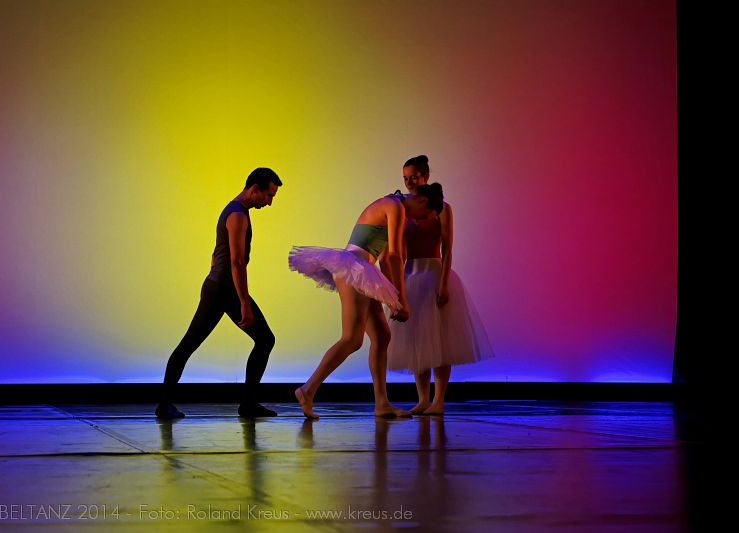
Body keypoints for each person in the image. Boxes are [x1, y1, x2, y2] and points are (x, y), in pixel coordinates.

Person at [289, 184, 444, 419]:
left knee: (382, 335)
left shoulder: (394, 205)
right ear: (422, 201)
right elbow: (395, 255)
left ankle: (382, 403)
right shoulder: (395, 207)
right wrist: (402, 301)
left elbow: (385, 259)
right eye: (423, 216)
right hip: (354, 267)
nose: (418, 220)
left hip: (363, 270)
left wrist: (392, 297)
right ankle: (307, 390)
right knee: (352, 339)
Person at [155, 168, 282, 419]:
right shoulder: (238, 215)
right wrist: (244, 302)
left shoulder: (233, 210)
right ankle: (245, 405)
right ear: (254, 189)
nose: (269, 202)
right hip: (224, 289)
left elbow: (216, 254)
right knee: (263, 339)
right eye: (268, 196)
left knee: (261, 340)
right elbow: (237, 262)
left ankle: (246, 404)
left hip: (218, 286)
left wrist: (216, 278)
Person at [387, 155, 494, 415]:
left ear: (425, 176)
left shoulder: (443, 209)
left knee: (441, 341)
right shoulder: (402, 209)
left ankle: (438, 400)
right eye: (405, 178)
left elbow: (447, 249)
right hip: (411, 276)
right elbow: (397, 250)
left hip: (434, 276)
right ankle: (423, 398)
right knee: (417, 340)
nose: (410, 182)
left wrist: (444, 284)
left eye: (414, 177)